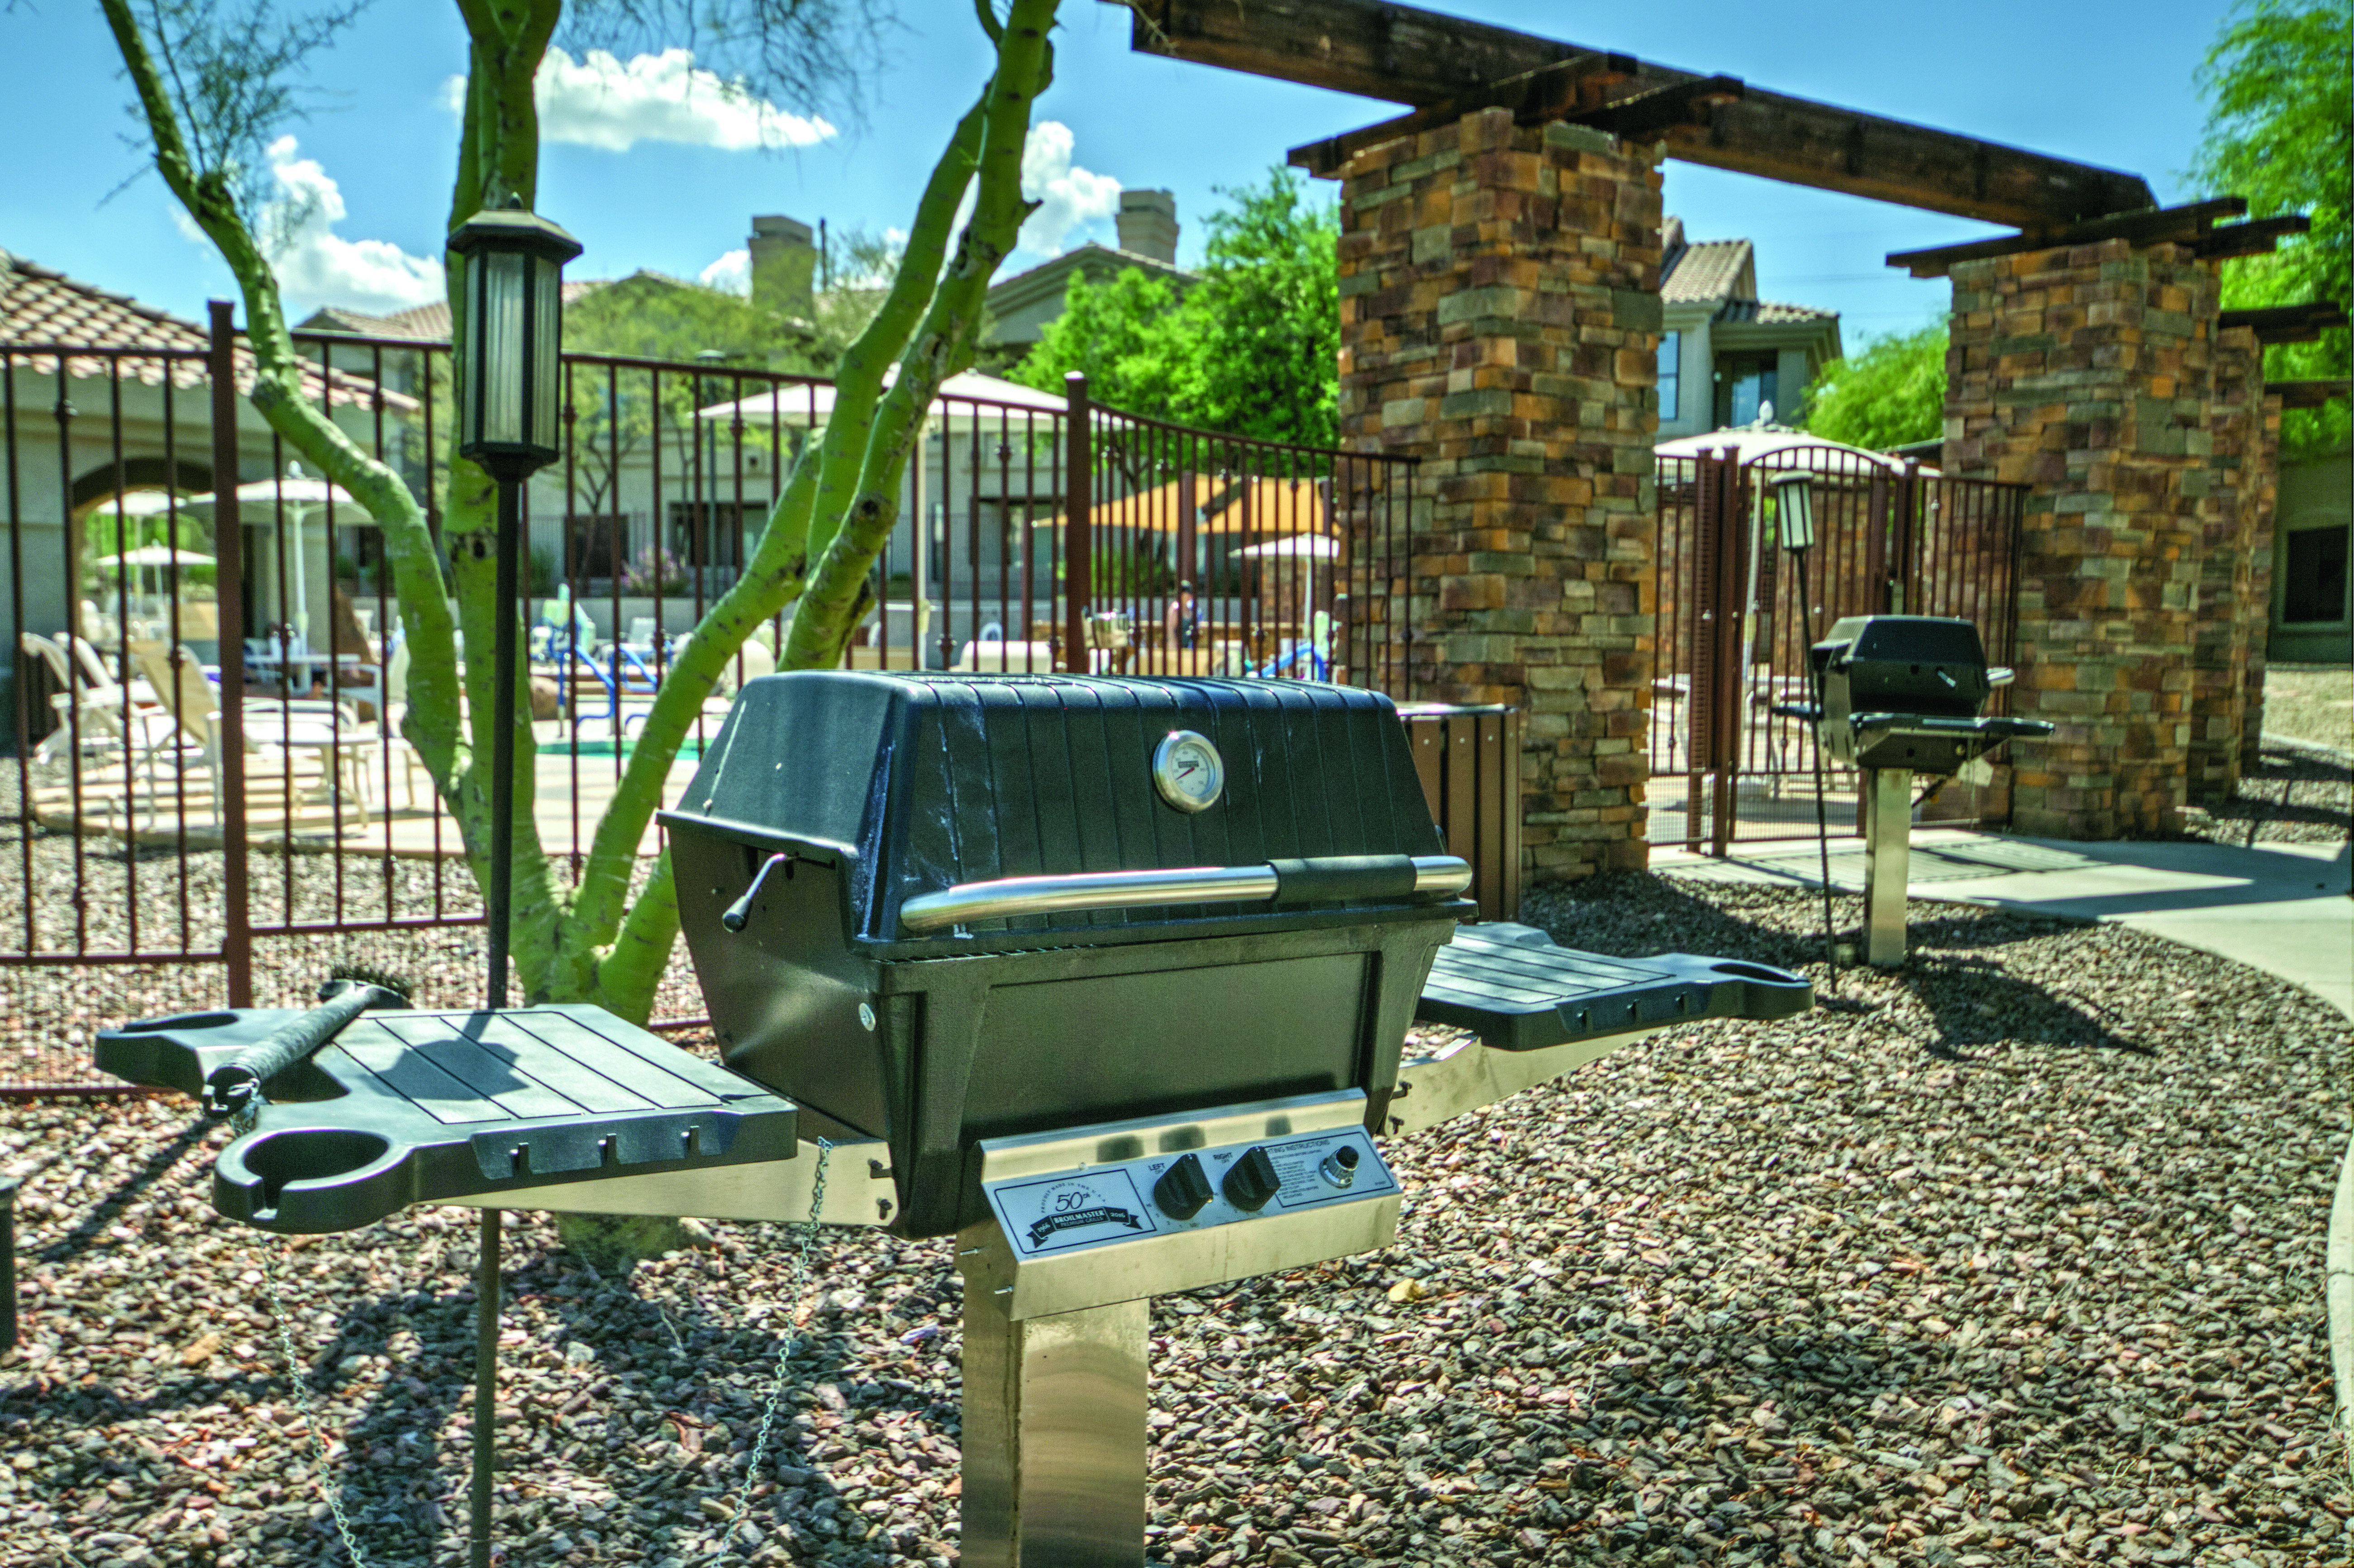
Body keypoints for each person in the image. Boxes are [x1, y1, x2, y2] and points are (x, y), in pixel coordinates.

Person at [1164, 580, 1201, 652]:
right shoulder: (1176, 609)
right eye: (1187, 594)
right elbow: (1171, 630)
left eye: (1190, 594)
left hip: (1189, 648)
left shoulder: (1190, 609)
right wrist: (1174, 648)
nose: (1190, 596)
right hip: (1177, 649)